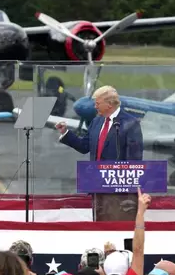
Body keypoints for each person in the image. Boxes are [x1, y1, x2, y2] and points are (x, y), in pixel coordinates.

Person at [55, 85, 144, 221]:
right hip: (97, 188)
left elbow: (135, 160)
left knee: (118, 228)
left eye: (97, 103)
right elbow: (84, 146)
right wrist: (65, 133)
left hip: (119, 191)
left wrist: (129, 191)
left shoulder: (130, 123)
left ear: (109, 104)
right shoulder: (96, 122)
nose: (95, 107)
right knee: (99, 227)